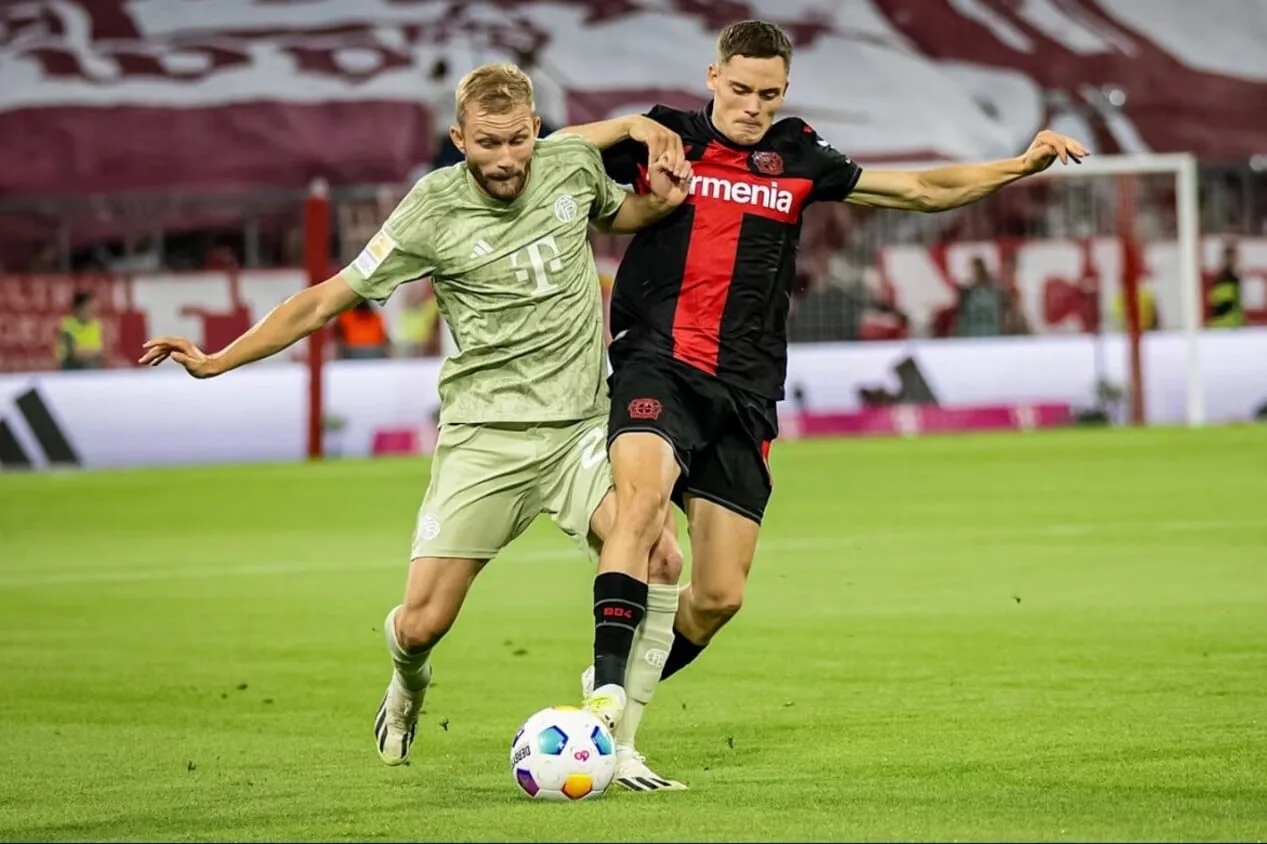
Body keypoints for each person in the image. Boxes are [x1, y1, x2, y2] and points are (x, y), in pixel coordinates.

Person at [558, 18, 1089, 789]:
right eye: (739, 89)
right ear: (712, 77)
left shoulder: (799, 153)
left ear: (784, 92)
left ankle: (611, 716)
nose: (750, 105)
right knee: (639, 508)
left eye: (767, 94)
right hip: (655, 364)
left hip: (744, 389)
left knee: (716, 598)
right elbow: (553, 154)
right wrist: (630, 125)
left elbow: (917, 190)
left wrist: (1020, 164)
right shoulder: (664, 135)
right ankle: (607, 696)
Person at [138, 63, 695, 768]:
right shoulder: (430, 209)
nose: (505, 159)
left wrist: (664, 201)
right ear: (459, 138)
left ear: (536, 130)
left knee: (660, 551)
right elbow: (322, 300)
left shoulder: (571, 164)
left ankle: (618, 739)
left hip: (580, 427)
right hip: (484, 440)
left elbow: (622, 215)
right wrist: (220, 358)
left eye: (518, 140)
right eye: (487, 143)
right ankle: (406, 684)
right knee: (423, 623)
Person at [57, 291, 105, 370]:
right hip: (71, 366)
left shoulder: (95, 325)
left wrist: (93, 353)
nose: (91, 312)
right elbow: (74, 354)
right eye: (88, 308)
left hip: (91, 364)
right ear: (79, 309)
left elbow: (100, 351)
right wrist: (93, 352)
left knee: (95, 363)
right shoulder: (67, 326)